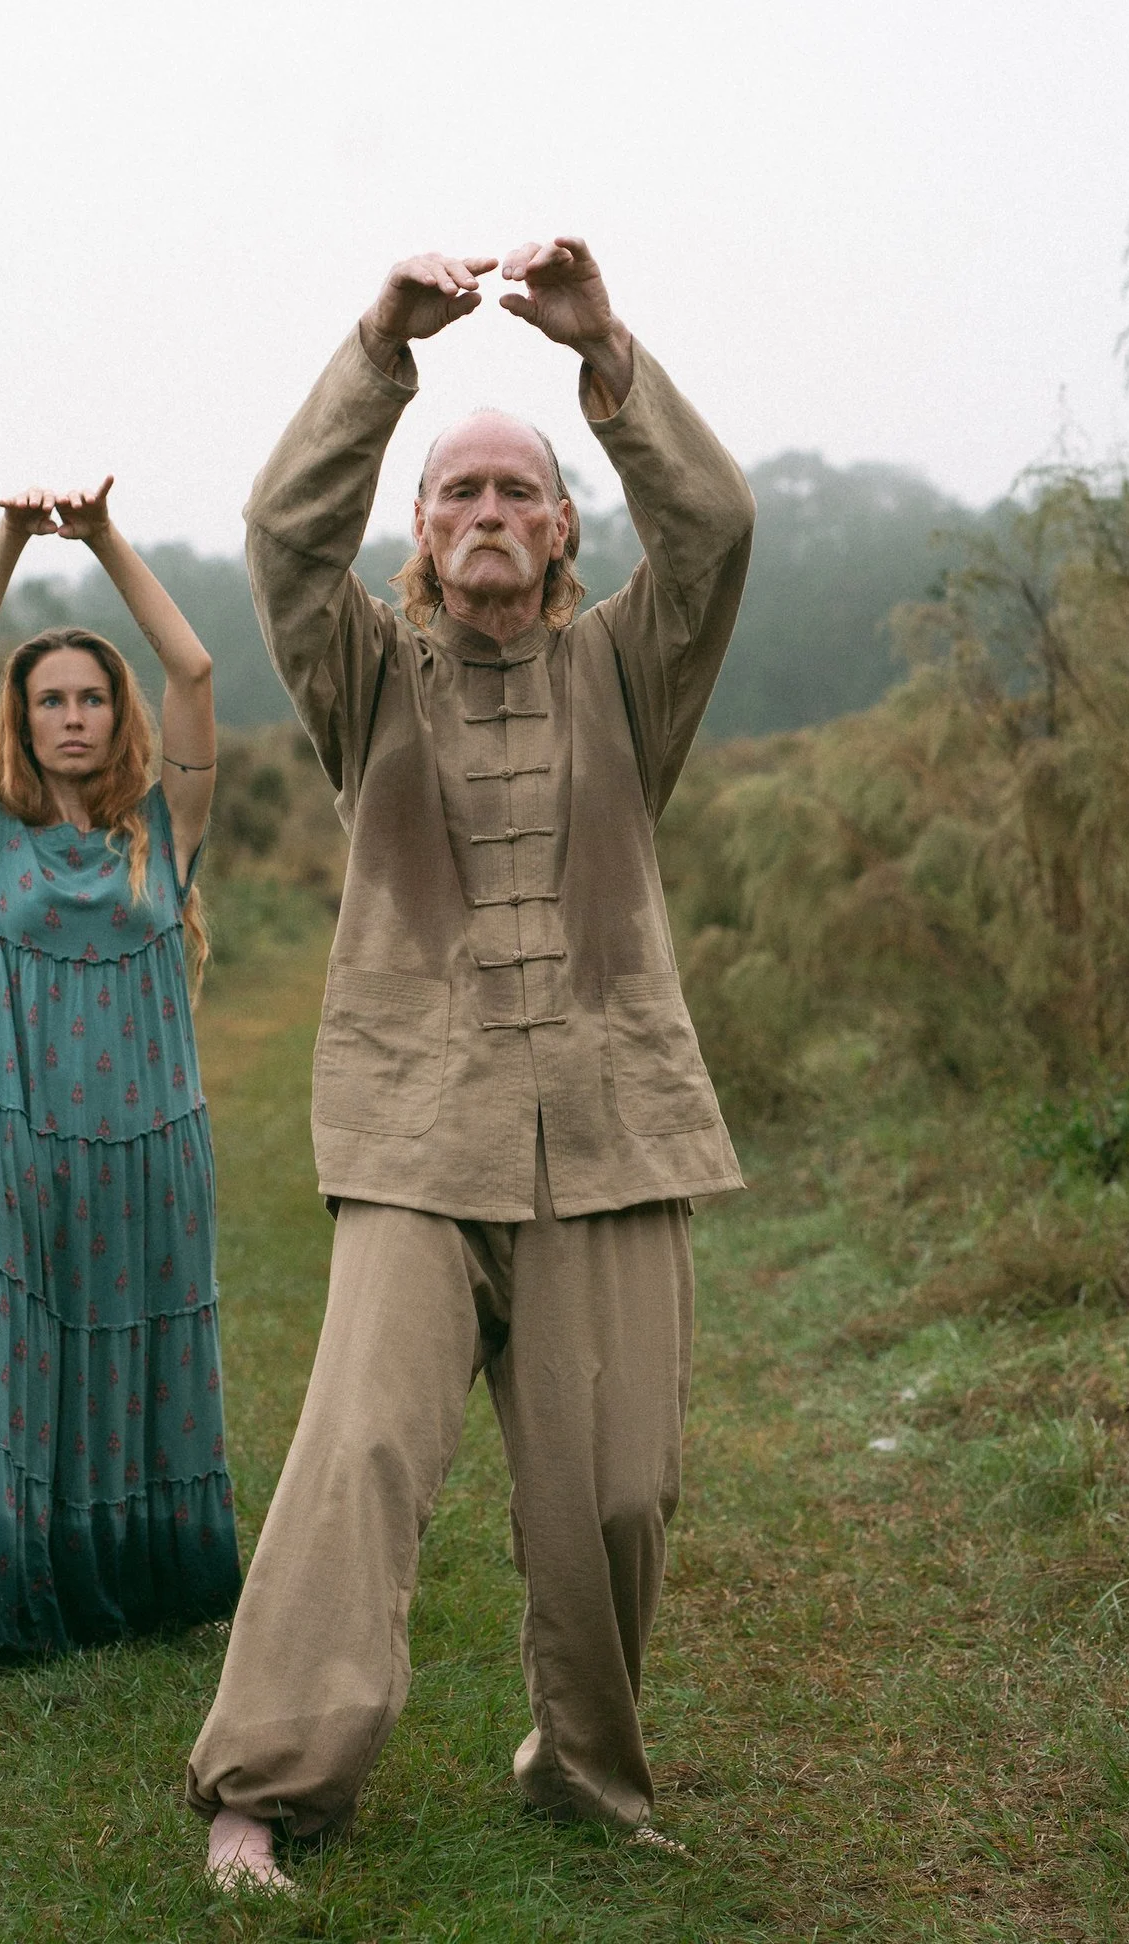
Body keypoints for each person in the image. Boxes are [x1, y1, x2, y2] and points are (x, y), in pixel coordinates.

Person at [184, 239, 755, 1891]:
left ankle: (581, 1770)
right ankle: (266, 1791)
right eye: (458, 497)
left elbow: (714, 532)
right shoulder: (368, 681)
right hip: (418, 1141)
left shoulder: (629, 674)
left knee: (623, 1495)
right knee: (360, 1452)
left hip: (616, 1129)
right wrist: (382, 350)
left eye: (521, 492)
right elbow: (285, 539)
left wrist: (607, 355)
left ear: (565, 530)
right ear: (421, 539)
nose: (491, 513)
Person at [0, 476, 240, 1703]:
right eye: (51, 698)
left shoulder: (166, 831)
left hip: (142, 1147)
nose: (71, 715)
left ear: (117, 713)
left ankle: (142, 1581)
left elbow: (200, 668)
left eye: (91, 696)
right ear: (26, 716)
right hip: (9, 1142)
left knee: (136, 1371)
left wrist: (107, 539)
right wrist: (10, 540)